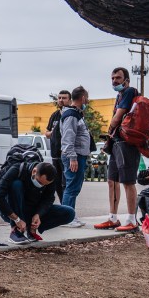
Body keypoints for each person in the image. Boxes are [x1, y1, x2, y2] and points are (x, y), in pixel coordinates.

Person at [94, 67, 140, 232]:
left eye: (118, 78)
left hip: (127, 142)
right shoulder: (120, 94)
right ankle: (113, 218)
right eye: (112, 78)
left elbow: (117, 117)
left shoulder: (129, 92)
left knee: (128, 182)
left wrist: (109, 129)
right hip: (117, 141)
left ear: (126, 80)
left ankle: (132, 220)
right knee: (112, 180)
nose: (114, 81)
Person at [0, 160, 75, 244]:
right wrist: (16, 219)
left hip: (32, 210)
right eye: (39, 182)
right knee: (16, 184)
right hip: (13, 211)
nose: (41, 186)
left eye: (44, 185)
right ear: (34, 171)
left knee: (69, 213)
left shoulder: (50, 178)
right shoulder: (17, 170)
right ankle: (16, 231)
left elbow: (49, 199)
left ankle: (31, 227)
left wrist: (38, 214)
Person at [59, 86, 90, 228]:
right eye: (86, 98)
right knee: (71, 187)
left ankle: (70, 214)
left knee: (74, 188)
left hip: (78, 155)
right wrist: (72, 157)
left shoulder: (76, 114)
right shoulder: (71, 115)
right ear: (82, 98)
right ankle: (66, 218)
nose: (87, 101)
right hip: (74, 155)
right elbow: (67, 138)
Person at [45, 90, 71, 202]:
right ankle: (62, 204)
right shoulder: (54, 115)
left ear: (70, 100)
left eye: (64, 98)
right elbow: (46, 133)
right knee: (57, 184)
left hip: (67, 154)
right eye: (59, 98)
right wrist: (53, 132)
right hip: (55, 155)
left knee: (66, 183)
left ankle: (67, 206)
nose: (61, 100)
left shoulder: (71, 114)